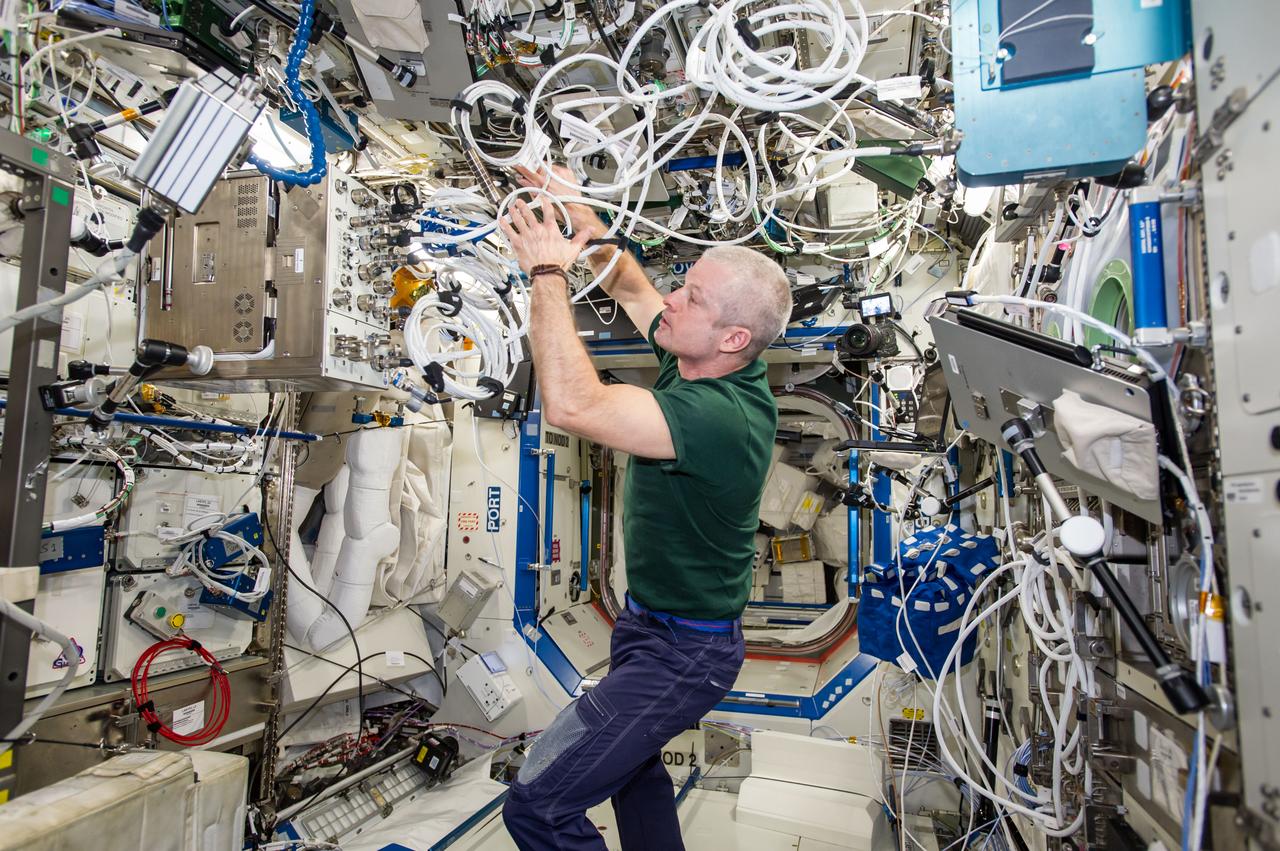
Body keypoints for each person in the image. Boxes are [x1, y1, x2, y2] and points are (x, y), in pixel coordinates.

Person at [496, 164, 792, 851]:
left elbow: (573, 405)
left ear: (733, 340)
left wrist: (548, 272)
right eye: (685, 284)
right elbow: (630, 284)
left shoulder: (723, 416)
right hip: (645, 628)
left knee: (537, 807)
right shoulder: (695, 354)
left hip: (686, 655)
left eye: (691, 297)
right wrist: (584, 222)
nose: (673, 300)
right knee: (631, 775)